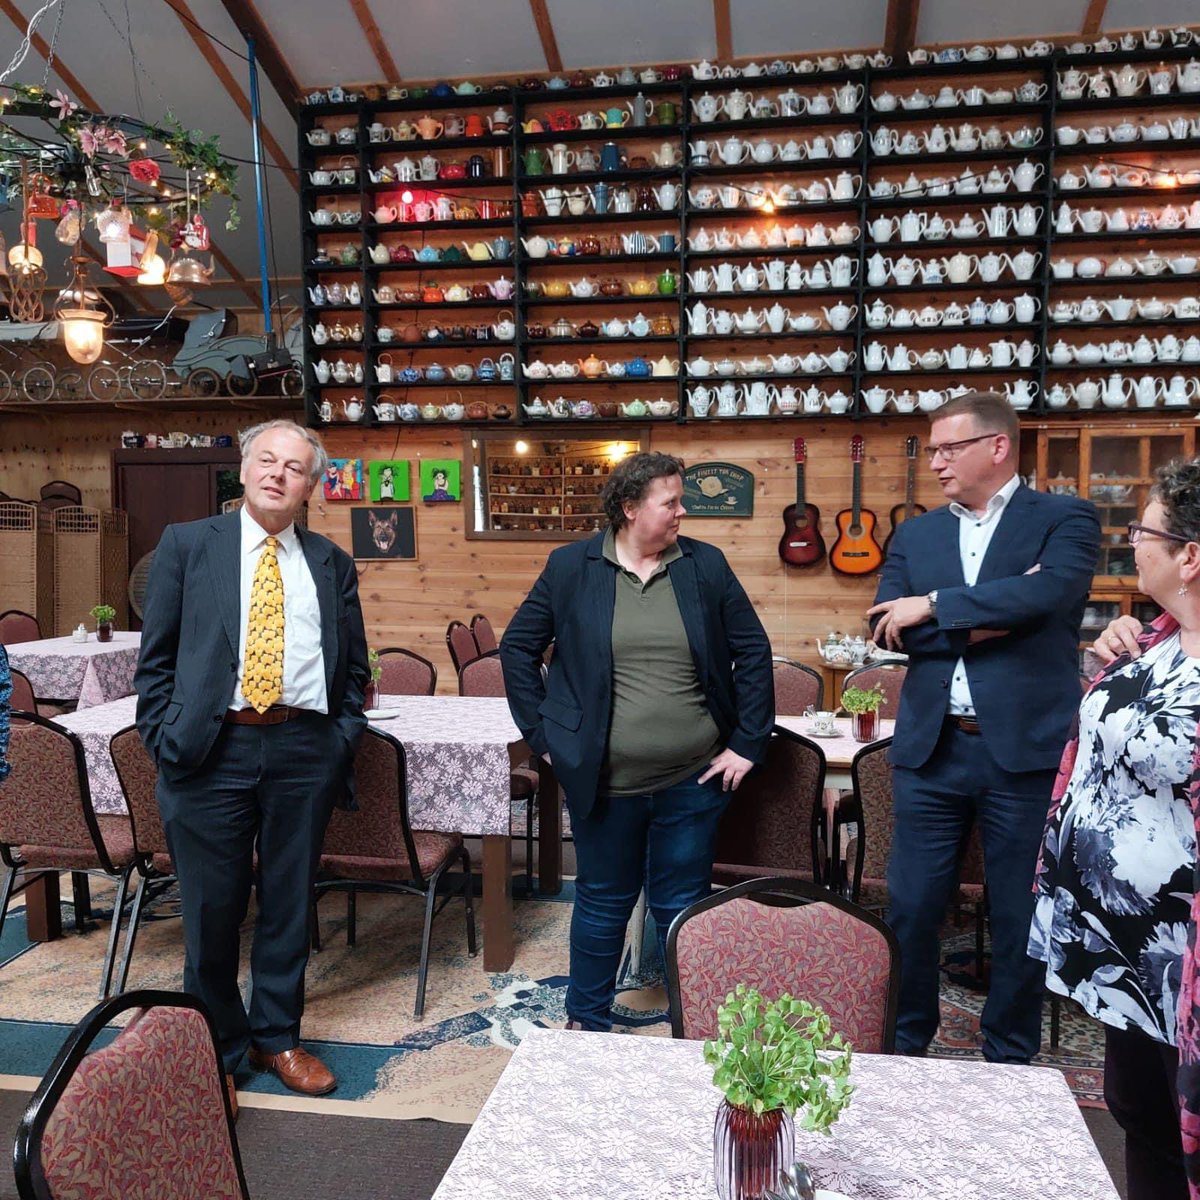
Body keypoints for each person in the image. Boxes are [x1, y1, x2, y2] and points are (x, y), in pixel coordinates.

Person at [135, 419, 369, 1102]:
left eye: (294, 467)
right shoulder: (186, 546)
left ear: (310, 487)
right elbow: (155, 662)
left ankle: (277, 1039)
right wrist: (164, 735)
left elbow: (353, 666)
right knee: (211, 910)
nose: (277, 473)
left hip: (304, 748)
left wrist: (340, 737)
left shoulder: (331, 562)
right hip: (209, 750)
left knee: (290, 903)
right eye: (266, 460)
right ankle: (217, 1050)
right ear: (243, 469)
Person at [500, 451, 773, 1032]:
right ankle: (586, 1026)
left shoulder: (705, 566)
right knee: (602, 901)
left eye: (681, 501)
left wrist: (747, 742)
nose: (681, 512)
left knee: (682, 905)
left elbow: (751, 651)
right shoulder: (572, 567)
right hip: (604, 781)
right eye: (669, 502)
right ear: (629, 509)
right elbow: (517, 647)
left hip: (693, 779)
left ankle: (692, 1026)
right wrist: (543, 737)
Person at [866, 390, 1100, 1063]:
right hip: (931, 752)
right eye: (933, 449)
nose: (935, 462)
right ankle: (905, 1046)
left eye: (949, 448)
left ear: (997, 447)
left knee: (1020, 915)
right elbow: (886, 627)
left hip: (1024, 755)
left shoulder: (1065, 519)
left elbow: (1049, 595)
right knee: (909, 908)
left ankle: (1009, 1055)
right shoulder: (917, 533)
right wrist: (996, 617)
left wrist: (935, 605)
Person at [1075, 462, 1200, 1200]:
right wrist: (1112, 662)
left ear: (1189, 555)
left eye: (1141, 532)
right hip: (1124, 942)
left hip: (1180, 947)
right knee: (1140, 1112)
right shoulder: (1156, 637)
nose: (1132, 545)